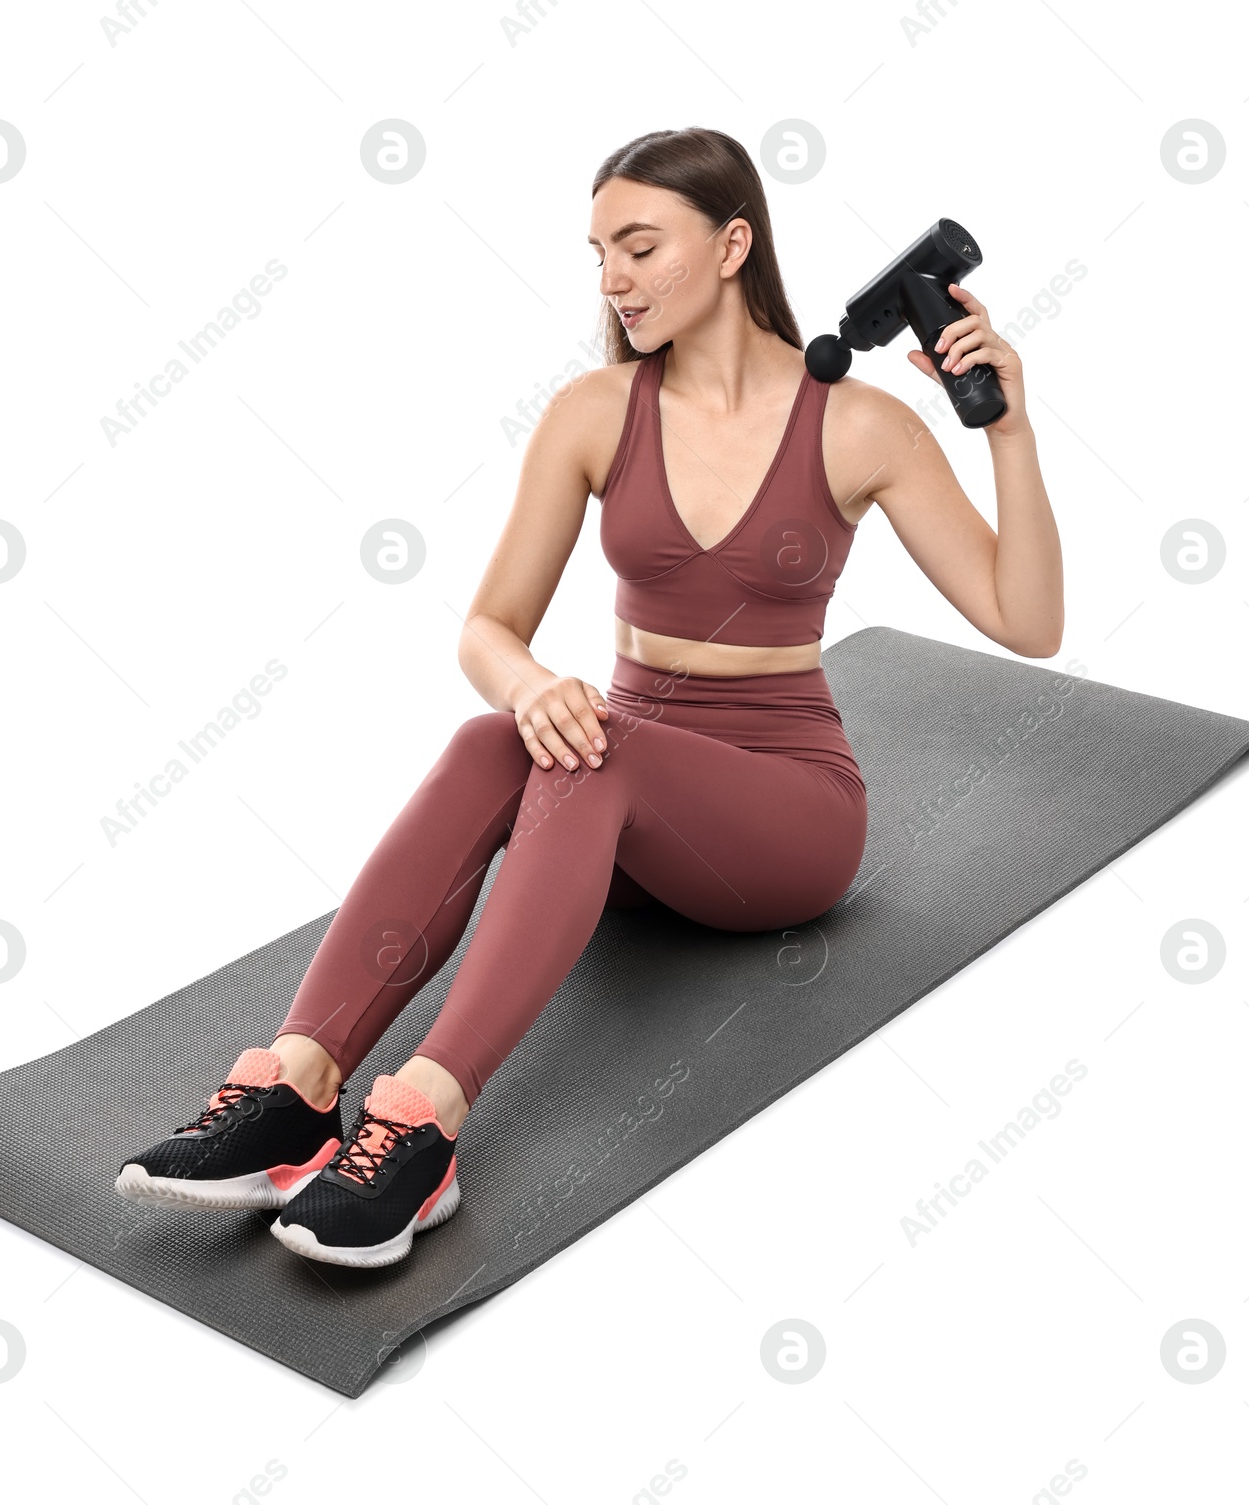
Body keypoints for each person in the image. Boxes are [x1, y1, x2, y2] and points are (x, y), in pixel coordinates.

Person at [115, 126, 1063, 1269]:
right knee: (488, 734)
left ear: (732, 245)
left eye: (639, 245)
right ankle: (297, 1088)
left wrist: (1008, 429)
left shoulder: (858, 424)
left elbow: (1027, 621)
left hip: (784, 817)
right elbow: (486, 628)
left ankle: (421, 1123)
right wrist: (528, 683)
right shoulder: (594, 410)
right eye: (597, 251)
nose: (610, 277)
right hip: (615, 809)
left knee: (588, 752)